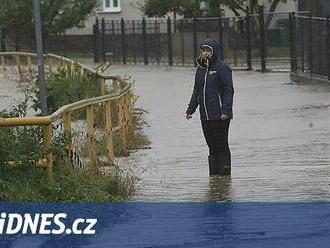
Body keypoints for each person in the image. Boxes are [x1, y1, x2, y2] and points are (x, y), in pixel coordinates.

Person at [186, 38, 234, 176]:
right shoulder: (200, 69)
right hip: (205, 115)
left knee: (221, 145)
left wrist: (226, 110)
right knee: (211, 146)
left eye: (208, 50)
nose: (205, 53)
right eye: (203, 51)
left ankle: (225, 177)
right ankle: (214, 178)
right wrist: (191, 109)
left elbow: (228, 90)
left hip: (220, 115)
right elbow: (197, 90)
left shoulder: (222, 68)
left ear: (214, 52)